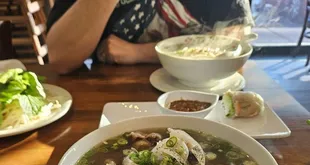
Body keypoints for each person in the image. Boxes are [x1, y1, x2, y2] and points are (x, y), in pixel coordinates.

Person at [47, 0, 254, 74]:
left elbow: (236, 39)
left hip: (209, 90)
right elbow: (61, 59)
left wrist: (141, 53)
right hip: (112, 103)